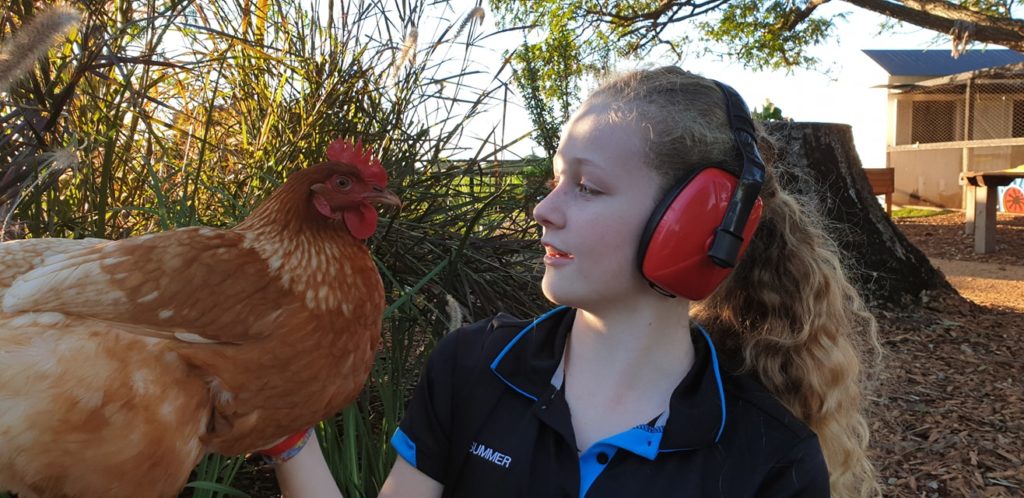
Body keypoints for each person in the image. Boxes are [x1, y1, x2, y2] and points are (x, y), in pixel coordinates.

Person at [269, 66, 881, 498]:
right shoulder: (474, 368)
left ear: (698, 222)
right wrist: (285, 431)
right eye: (556, 179)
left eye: (586, 187)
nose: (544, 210)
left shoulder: (767, 454)